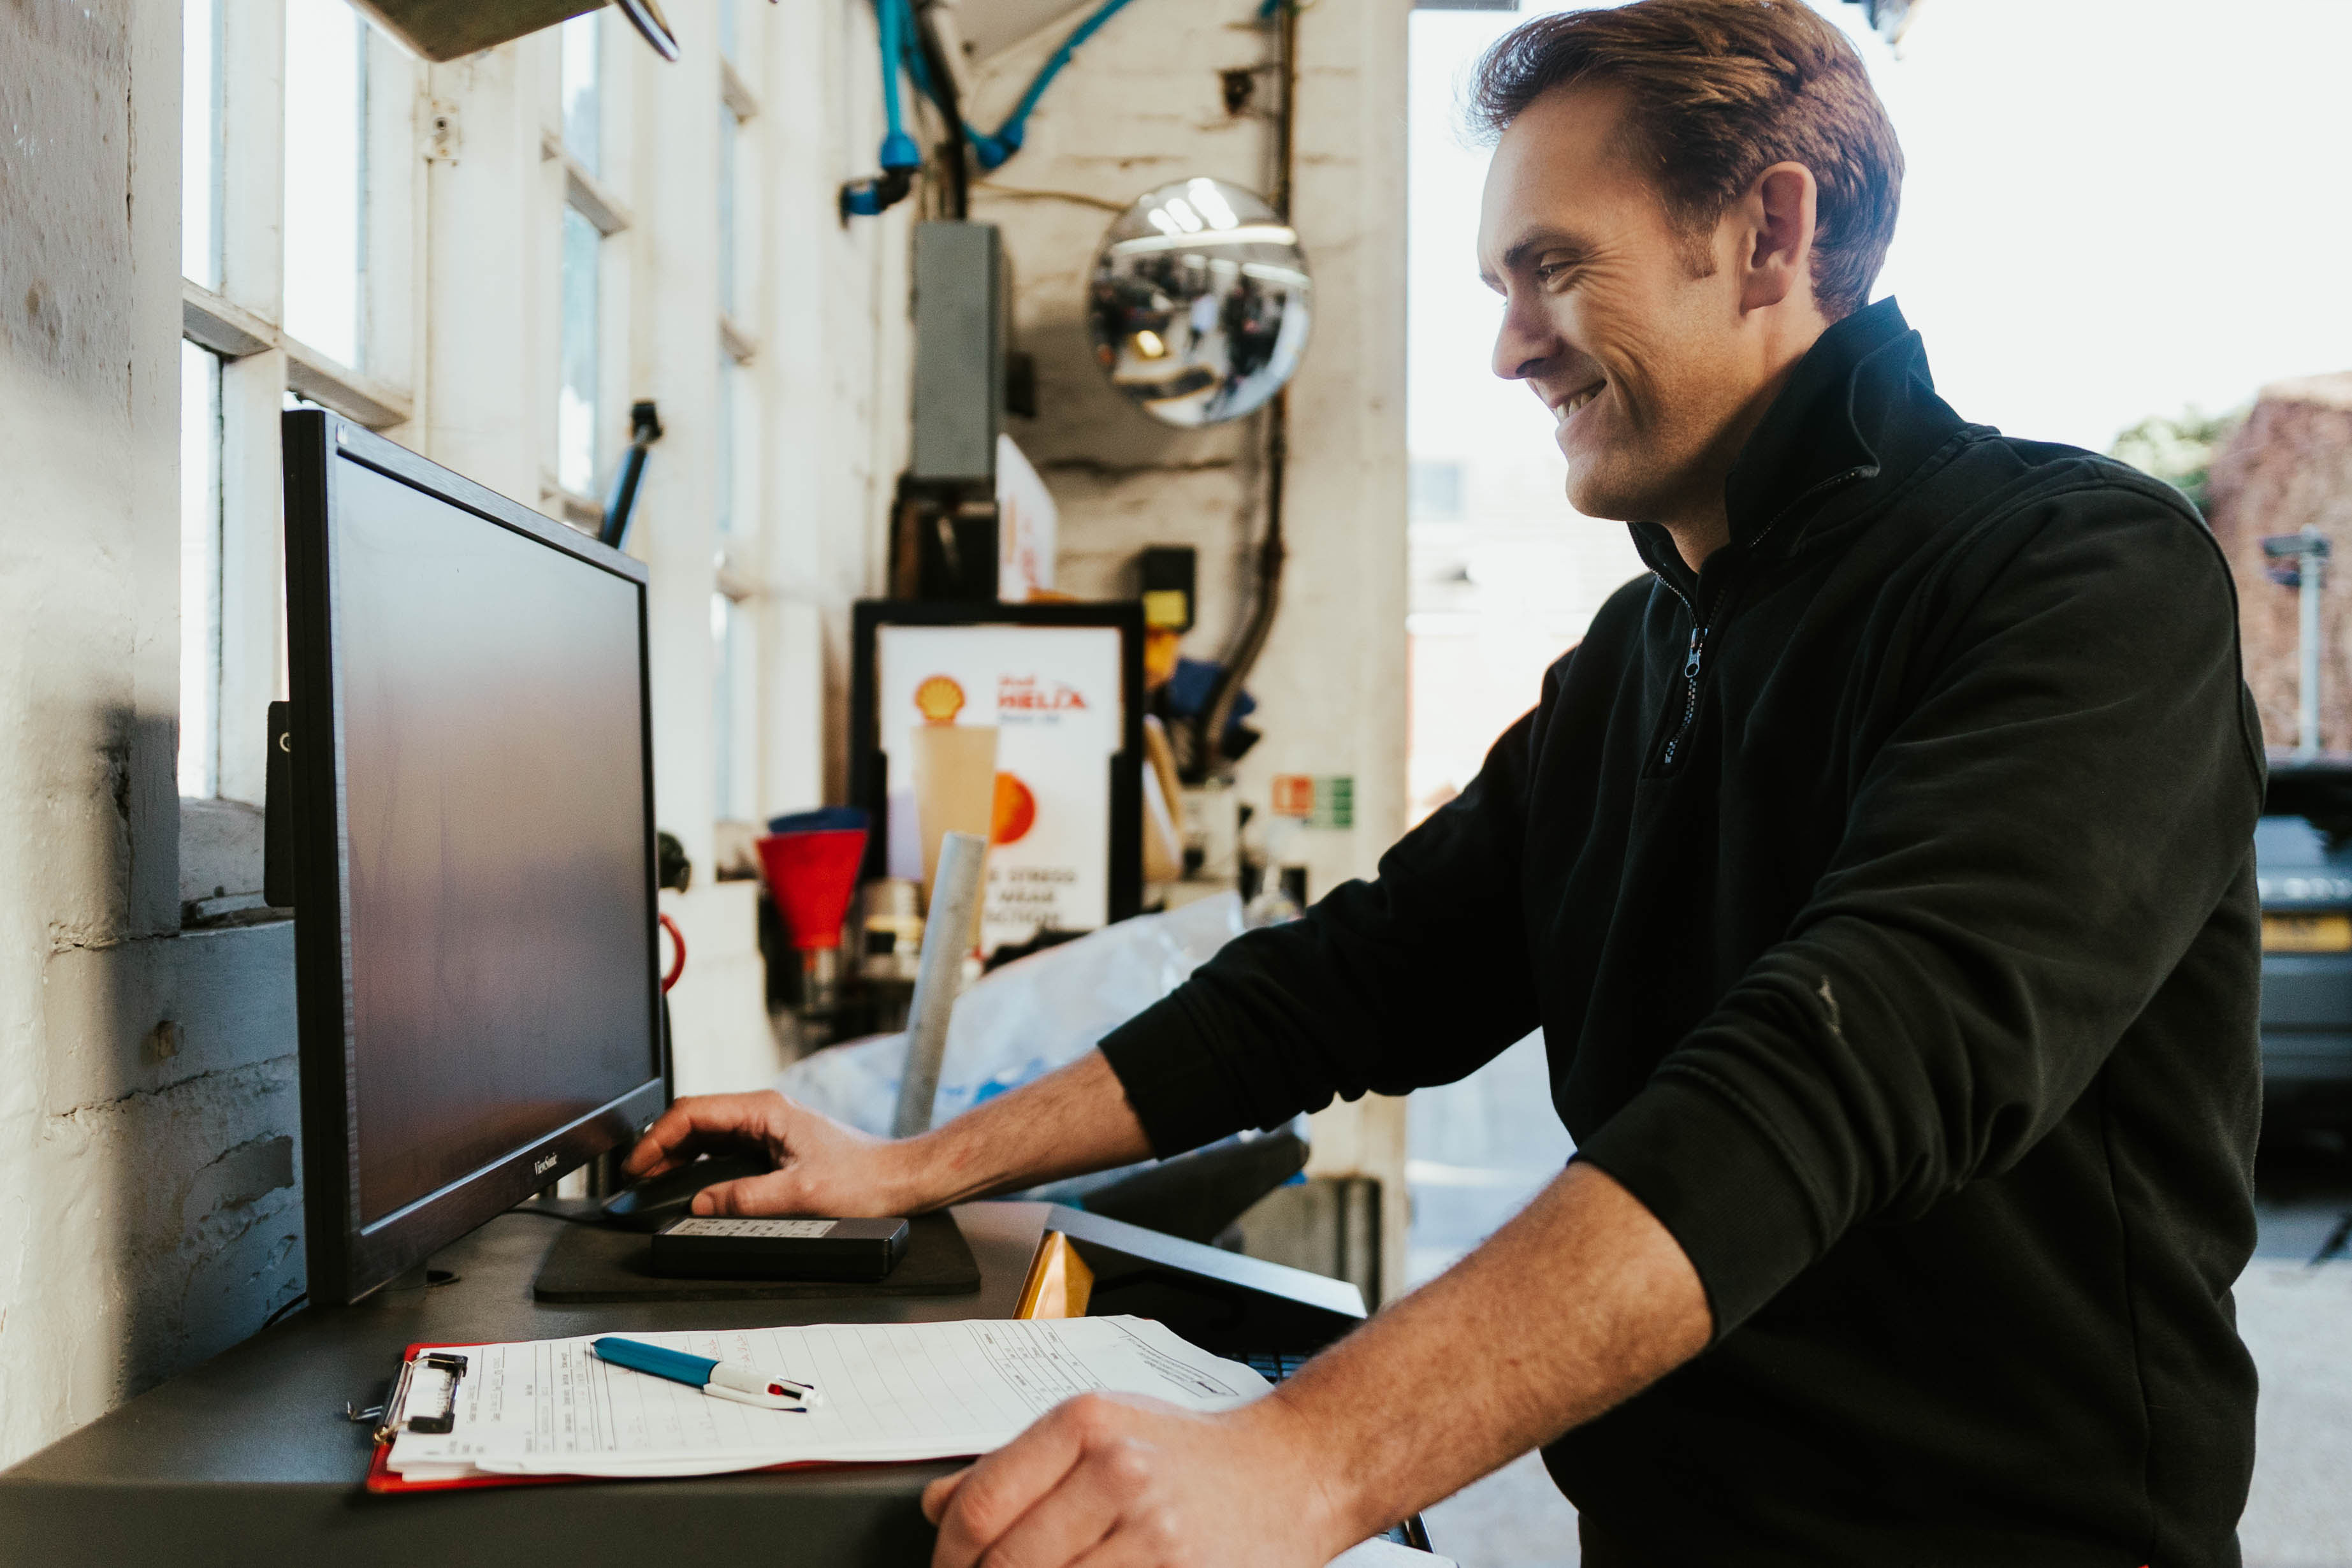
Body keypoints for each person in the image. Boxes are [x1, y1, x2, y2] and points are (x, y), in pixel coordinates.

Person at [625, 2, 2263, 1562]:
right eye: (1497, 280)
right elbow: (1338, 987)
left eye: (1552, 268)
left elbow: (1842, 1069)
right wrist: (906, 1167)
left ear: (1770, 233)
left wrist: (1297, 1465)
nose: (1506, 347)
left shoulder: (2080, 576)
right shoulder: (1639, 656)